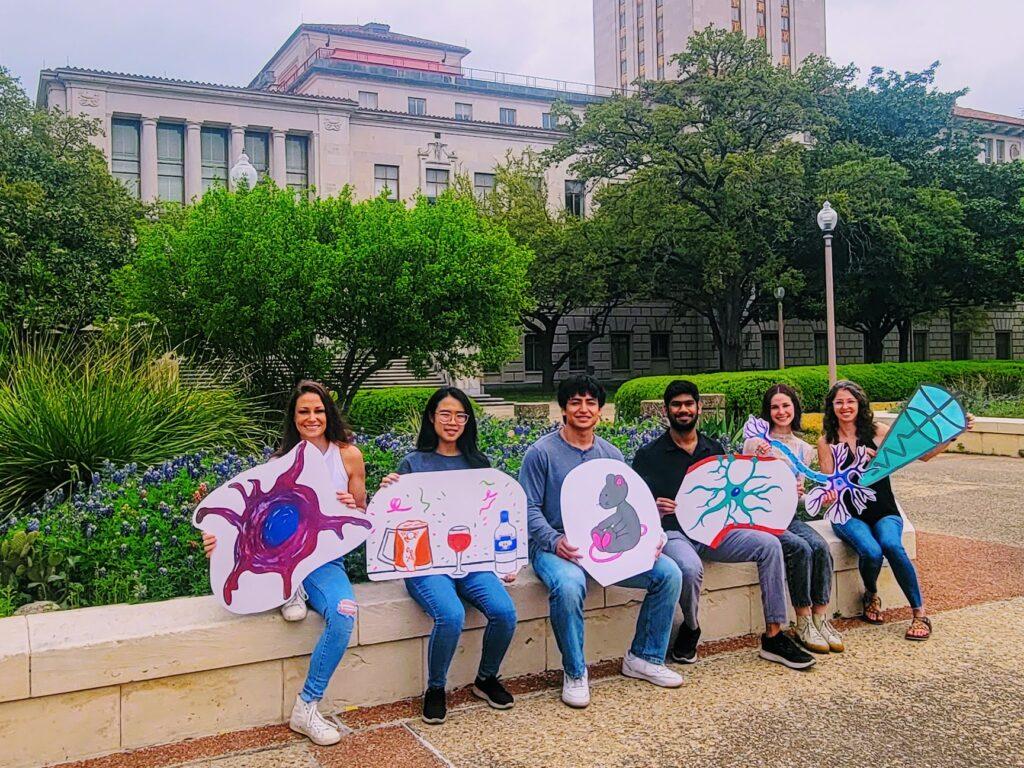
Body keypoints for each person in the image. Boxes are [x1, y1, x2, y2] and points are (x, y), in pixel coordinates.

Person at [202, 380, 366, 746]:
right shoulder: (280, 463)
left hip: (326, 559)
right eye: (303, 412)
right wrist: (218, 540)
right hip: (285, 557)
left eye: (318, 410)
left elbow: (362, 515)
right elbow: (253, 520)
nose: (312, 418)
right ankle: (288, 586)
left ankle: (306, 705)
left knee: (344, 613)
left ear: (329, 413)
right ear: (293, 418)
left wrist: (350, 505)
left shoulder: (348, 455)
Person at [519, 374, 683, 709]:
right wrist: (554, 540)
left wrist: (652, 536)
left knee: (668, 572)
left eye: (590, 402)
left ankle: (644, 657)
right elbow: (528, 507)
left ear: (599, 410)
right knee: (568, 585)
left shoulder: (611, 454)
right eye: (575, 402)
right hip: (556, 547)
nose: (583, 409)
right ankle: (576, 672)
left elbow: (633, 504)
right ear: (563, 409)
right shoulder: (540, 453)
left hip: (605, 546)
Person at [632, 380, 815, 670]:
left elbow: (738, 491)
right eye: (676, 405)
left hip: (714, 531)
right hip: (674, 532)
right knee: (690, 568)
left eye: (688, 404)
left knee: (769, 545)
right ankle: (691, 628)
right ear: (667, 410)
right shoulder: (648, 455)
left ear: (699, 408)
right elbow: (634, 503)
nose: (683, 410)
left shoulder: (713, 448)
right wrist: (652, 506)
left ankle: (774, 635)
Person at [378, 386, 517, 725]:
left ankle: (486, 678)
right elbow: (396, 517)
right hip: (427, 564)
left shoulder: (478, 464)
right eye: (445, 414)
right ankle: (436, 688)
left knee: (505, 611)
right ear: (431, 418)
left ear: (468, 421)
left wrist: (505, 562)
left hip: (471, 561)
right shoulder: (413, 463)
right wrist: (387, 493)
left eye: (460, 415)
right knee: (451, 614)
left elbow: (491, 518)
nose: (453, 421)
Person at [818, 380, 972, 641]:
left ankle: (920, 613)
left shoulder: (877, 431)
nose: (845, 407)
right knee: (871, 550)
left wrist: (954, 433)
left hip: (883, 507)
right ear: (831, 407)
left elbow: (922, 454)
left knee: (892, 544)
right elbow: (829, 485)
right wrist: (853, 472)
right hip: (847, 512)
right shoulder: (827, 441)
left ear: (860, 404)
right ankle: (870, 593)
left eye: (850, 401)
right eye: (839, 402)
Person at [742, 384, 843, 654]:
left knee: (820, 547)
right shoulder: (757, 444)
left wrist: (808, 496)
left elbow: (796, 498)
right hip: (763, 519)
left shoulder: (803, 449)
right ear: (767, 411)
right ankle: (802, 620)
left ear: (794, 408)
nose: (781, 411)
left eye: (786, 406)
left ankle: (821, 618)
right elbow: (744, 486)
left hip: (789, 517)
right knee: (799, 549)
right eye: (775, 407)